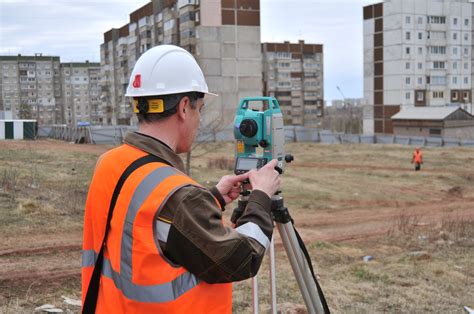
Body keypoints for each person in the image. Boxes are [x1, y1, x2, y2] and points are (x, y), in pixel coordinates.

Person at [81, 45, 281, 313]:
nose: (199, 119)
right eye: (200, 108)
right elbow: (240, 260)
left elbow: (147, 226)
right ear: (185, 107)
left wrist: (212, 198)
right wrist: (261, 197)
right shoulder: (180, 196)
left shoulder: (110, 162)